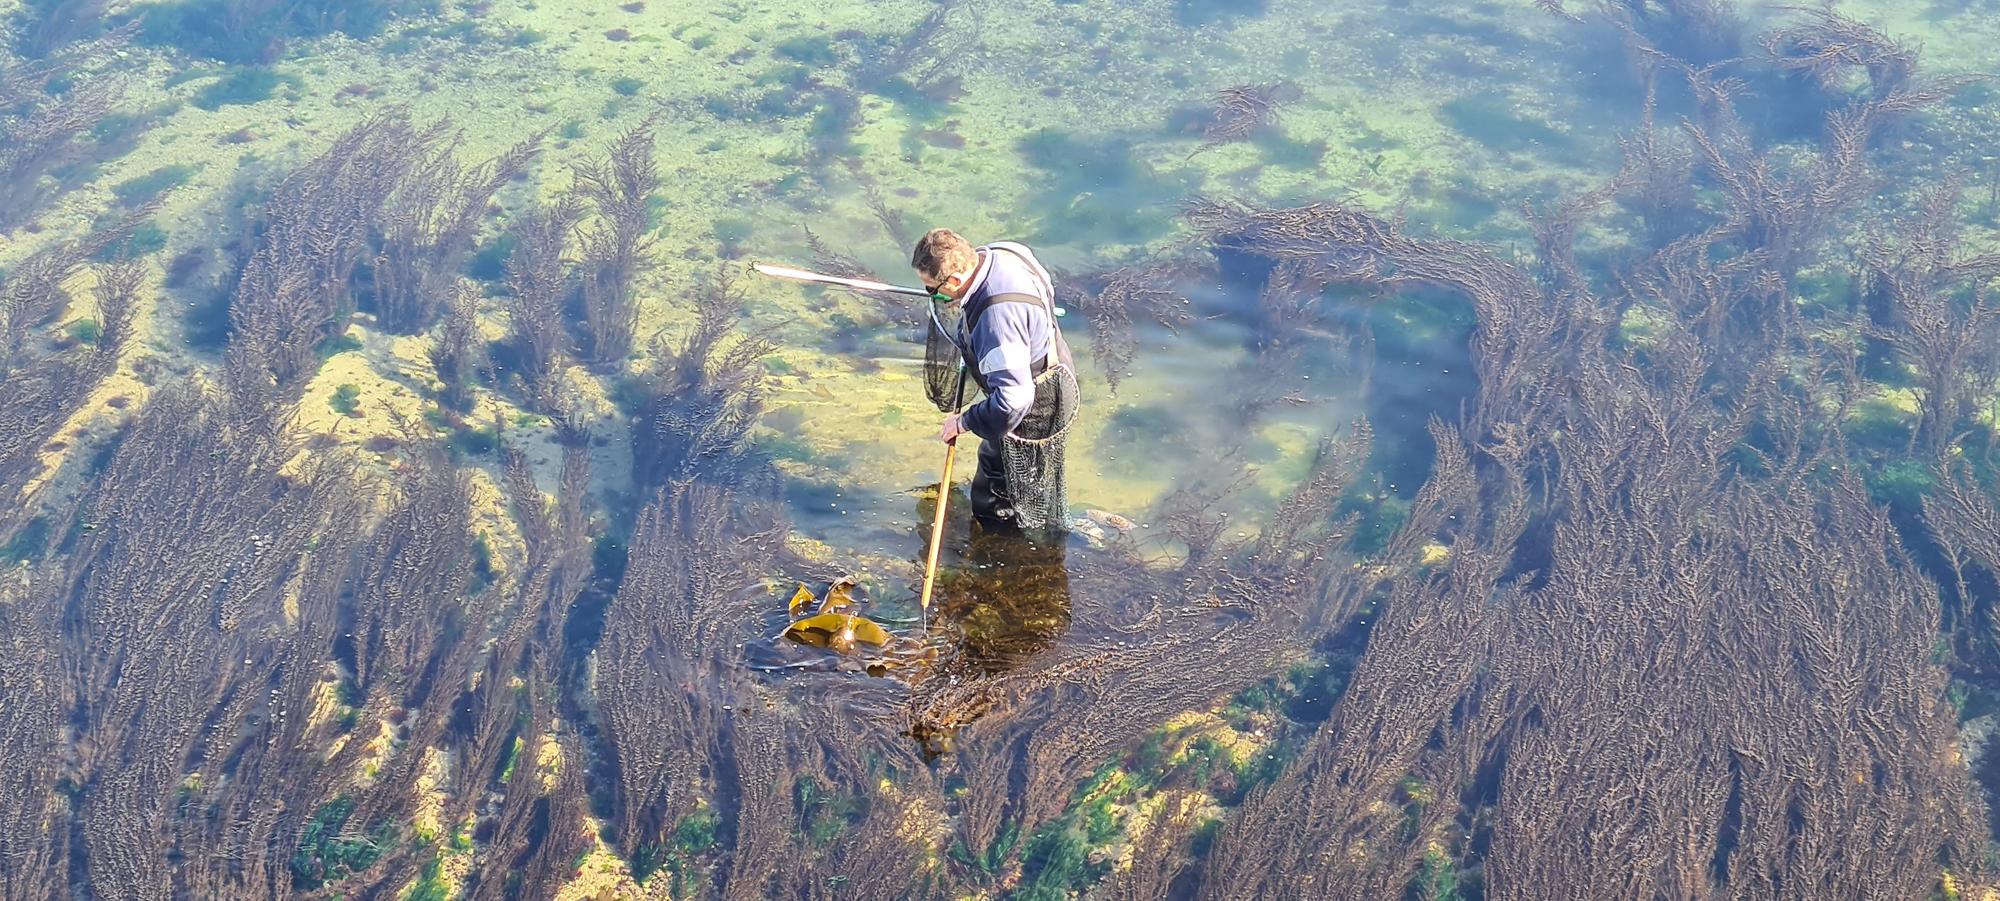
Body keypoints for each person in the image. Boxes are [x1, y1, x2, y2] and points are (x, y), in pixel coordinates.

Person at [910, 228, 1076, 529]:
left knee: (995, 483)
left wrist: (964, 422)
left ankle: (1001, 548)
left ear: (956, 281)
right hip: (1052, 358)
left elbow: (1014, 399)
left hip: (1035, 402)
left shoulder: (996, 322)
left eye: (933, 289)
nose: (932, 296)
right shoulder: (1003, 252)